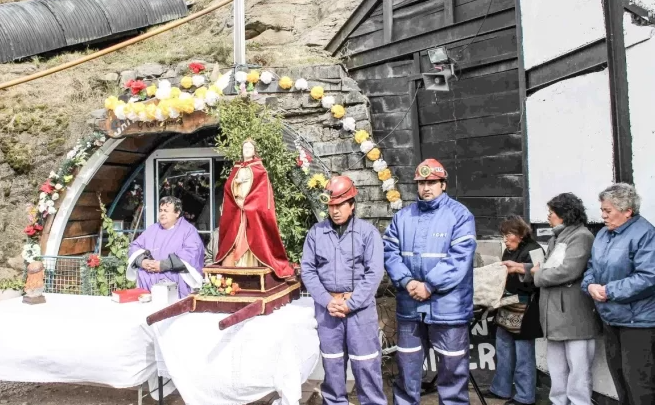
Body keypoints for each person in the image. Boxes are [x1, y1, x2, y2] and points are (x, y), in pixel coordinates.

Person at [383, 158, 477, 405]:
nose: (426, 187)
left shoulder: (460, 216)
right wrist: (407, 281)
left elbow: (459, 259)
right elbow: (389, 252)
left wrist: (428, 286)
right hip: (410, 307)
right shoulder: (403, 217)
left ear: (443, 184)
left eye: (432, 182)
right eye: (422, 182)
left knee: (453, 373)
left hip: (448, 309)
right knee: (406, 370)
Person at [300, 175, 387, 405]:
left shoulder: (368, 234)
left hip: (360, 313)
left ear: (352, 205)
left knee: (366, 366)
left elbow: (374, 273)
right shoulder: (316, 234)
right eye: (331, 206)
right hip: (329, 311)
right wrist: (327, 301)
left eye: (340, 205)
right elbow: (308, 270)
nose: (335, 210)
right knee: (333, 367)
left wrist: (351, 302)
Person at [509, 193, 601, 405]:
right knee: (557, 368)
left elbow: (568, 270)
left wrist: (537, 275)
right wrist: (521, 268)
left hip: (574, 314)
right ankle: (558, 402)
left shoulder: (581, 237)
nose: (548, 217)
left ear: (564, 215)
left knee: (578, 369)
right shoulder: (555, 238)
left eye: (552, 213)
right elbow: (546, 268)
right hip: (554, 315)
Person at [582, 183, 655, 405]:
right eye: (602, 210)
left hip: (638, 322)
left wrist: (608, 290)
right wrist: (590, 286)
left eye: (607, 210)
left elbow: (648, 277)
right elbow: (591, 268)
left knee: (639, 383)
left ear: (627, 211)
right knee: (620, 379)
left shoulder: (645, 234)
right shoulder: (603, 234)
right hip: (610, 318)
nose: (602, 215)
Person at [215, 138, 294, 278]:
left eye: (249, 148)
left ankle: (251, 269)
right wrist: (236, 186)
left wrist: (249, 204)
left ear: (254, 152)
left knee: (254, 238)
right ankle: (235, 268)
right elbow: (228, 188)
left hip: (252, 211)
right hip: (237, 210)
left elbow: (262, 193)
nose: (246, 150)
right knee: (234, 238)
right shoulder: (237, 168)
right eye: (245, 148)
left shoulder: (260, 169)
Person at [485, 215, 543, 405]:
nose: (505, 240)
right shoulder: (509, 250)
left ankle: (525, 396)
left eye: (508, 235)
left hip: (525, 308)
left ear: (519, 233)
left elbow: (540, 277)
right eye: (503, 235)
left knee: (523, 354)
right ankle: (500, 389)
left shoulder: (534, 250)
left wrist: (518, 271)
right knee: (503, 350)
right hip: (506, 306)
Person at [127, 196, 204, 298]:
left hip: (175, 288)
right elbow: (134, 247)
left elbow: (191, 254)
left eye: (166, 211)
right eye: (161, 210)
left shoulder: (188, 231)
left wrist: (162, 265)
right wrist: (143, 262)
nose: (162, 213)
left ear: (177, 213)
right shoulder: (152, 229)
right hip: (147, 287)